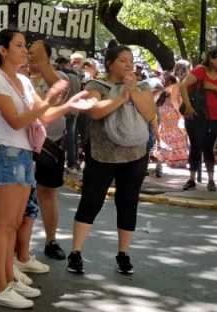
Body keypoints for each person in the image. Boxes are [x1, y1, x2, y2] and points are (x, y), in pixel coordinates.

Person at [0, 30, 90, 309]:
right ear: (3, 51)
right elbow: (17, 121)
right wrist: (51, 95)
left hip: (25, 155)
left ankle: (9, 279)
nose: (25, 51)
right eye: (19, 46)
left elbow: (41, 117)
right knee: (4, 225)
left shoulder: (22, 81)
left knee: (14, 224)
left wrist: (67, 103)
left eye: (25, 46)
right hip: (7, 154)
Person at [67, 45, 156, 276]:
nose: (128, 65)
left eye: (130, 61)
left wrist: (132, 90)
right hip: (102, 154)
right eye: (123, 61)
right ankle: (76, 252)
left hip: (135, 154)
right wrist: (121, 97)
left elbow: (149, 113)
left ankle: (124, 253)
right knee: (91, 200)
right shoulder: (96, 85)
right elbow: (95, 111)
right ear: (110, 64)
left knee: (128, 202)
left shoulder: (142, 86)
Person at [27, 41, 72, 262]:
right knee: (21, 195)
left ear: (48, 55)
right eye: (27, 52)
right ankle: (20, 247)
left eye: (35, 53)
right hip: (24, 143)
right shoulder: (19, 77)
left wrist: (43, 66)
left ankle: (51, 240)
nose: (30, 56)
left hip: (52, 143)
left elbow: (61, 92)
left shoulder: (59, 77)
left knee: (48, 192)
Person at [179, 48, 217, 191]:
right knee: (195, 145)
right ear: (211, 59)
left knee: (208, 146)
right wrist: (189, 106)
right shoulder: (200, 71)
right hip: (196, 115)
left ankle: (211, 179)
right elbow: (183, 85)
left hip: (215, 116)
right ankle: (191, 179)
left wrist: (214, 87)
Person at [154, 72, 189, 170]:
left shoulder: (163, 90)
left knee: (166, 132)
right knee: (176, 132)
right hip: (172, 112)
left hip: (164, 113)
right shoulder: (176, 86)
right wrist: (181, 114)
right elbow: (175, 101)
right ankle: (176, 159)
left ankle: (164, 157)